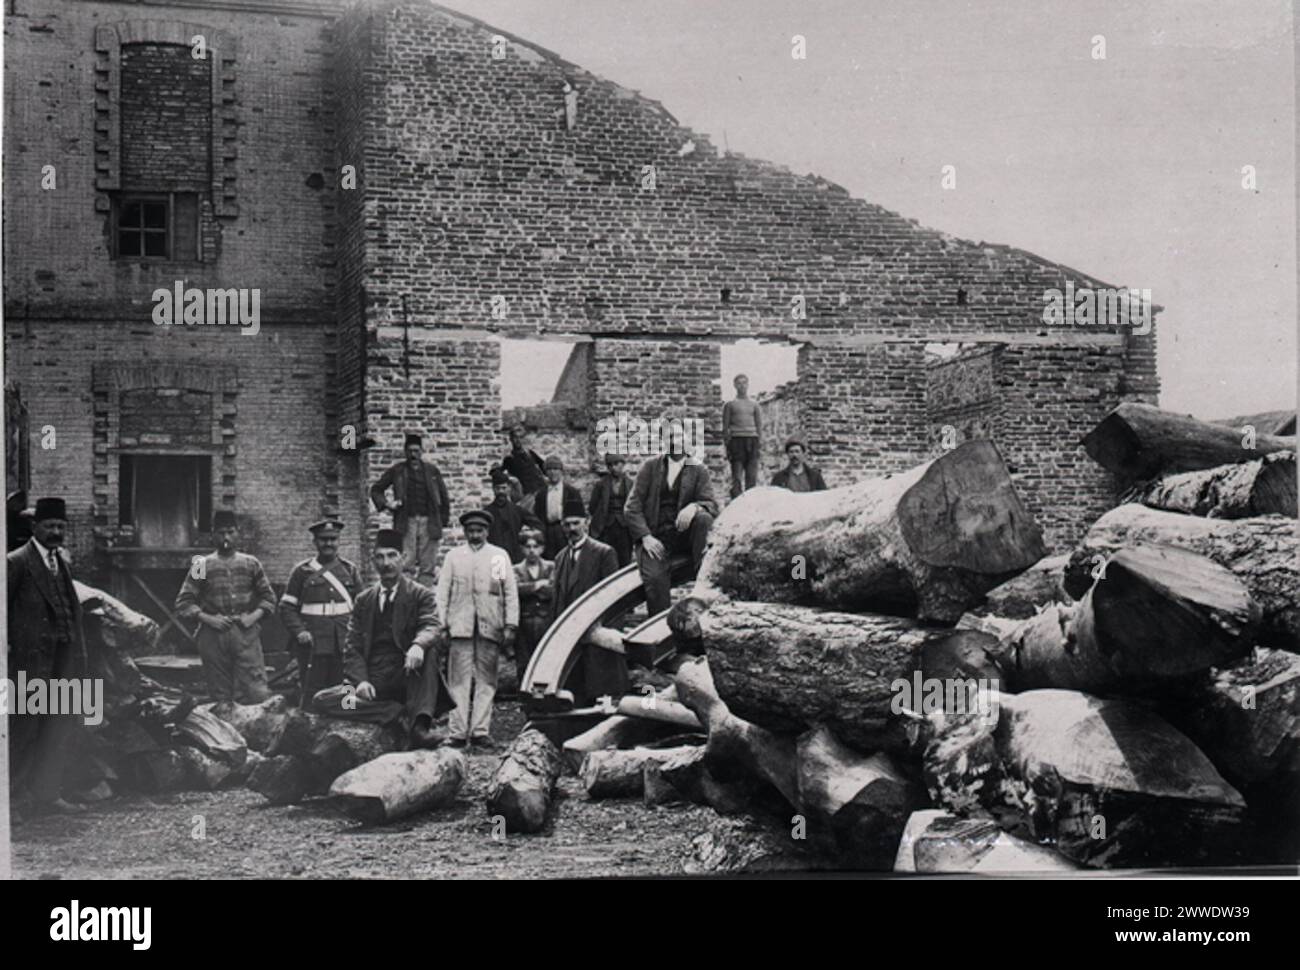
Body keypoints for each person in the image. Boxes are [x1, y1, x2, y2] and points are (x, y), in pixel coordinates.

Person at [311, 528, 453, 748]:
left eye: (392, 555)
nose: (386, 563)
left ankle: (419, 726)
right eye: (380, 556)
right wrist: (361, 681)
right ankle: (393, 713)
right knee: (323, 700)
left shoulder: (419, 594)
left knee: (429, 651)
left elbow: (431, 625)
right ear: (373, 560)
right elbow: (353, 646)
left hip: (406, 676)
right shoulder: (363, 600)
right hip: (373, 681)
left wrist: (418, 645)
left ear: (403, 558)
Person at [7, 497, 90, 815]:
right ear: (34, 527)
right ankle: (11, 799)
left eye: (60, 527)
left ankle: (47, 793)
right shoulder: (16, 562)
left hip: (62, 660)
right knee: (23, 728)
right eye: (49, 526)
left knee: (58, 726)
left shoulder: (63, 563)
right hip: (28, 663)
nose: (55, 532)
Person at [436, 509, 519, 750]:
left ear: (487, 531)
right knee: (458, 682)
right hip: (459, 626)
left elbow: (509, 592)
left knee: (487, 680)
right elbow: (442, 594)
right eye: (471, 531)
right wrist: (442, 625)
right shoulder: (454, 557)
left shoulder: (497, 557)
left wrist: (510, 624)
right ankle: (458, 732)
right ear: (464, 532)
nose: (475, 535)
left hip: (489, 626)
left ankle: (481, 730)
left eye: (479, 531)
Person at [175, 509, 276, 704]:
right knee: (220, 694)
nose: (226, 537)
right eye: (221, 533)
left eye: (230, 531)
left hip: (245, 634)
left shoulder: (251, 563)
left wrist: (252, 617)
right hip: (214, 636)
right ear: (213, 535)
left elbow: (269, 598)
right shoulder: (201, 565)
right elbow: (184, 602)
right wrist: (208, 619)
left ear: (238, 533)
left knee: (255, 691)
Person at [625, 420, 719, 615]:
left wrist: (695, 506)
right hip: (656, 538)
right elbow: (631, 507)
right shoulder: (650, 467)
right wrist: (645, 537)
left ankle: (703, 577)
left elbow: (712, 505)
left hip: (683, 537)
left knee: (704, 519)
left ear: (686, 440)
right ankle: (659, 633)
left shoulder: (698, 469)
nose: (674, 441)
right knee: (655, 580)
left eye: (678, 436)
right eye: (669, 437)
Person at [278, 514, 363, 707]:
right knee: (312, 688)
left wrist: (358, 636)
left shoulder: (350, 570)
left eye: (333, 539)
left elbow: (361, 608)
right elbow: (286, 607)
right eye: (324, 539)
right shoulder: (301, 572)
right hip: (313, 642)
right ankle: (309, 724)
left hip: (344, 640)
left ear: (338, 541)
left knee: (346, 686)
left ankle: (349, 719)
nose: (328, 544)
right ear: (315, 541)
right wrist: (300, 631)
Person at [551, 495, 622, 700]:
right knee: (575, 690)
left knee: (601, 692)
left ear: (586, 523)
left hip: (596, 635)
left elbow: (614, 598)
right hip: (570, 638)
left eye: (576, 523)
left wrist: (608, 633)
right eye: (567, 524)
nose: (571, 529)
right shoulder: (560, 558)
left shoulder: (604, 553)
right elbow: (557, 600)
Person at [369, 432, 451, 587]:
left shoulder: (432, 471)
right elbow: (376, 490)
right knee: (406, 563)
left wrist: (443, 521)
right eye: (410, 451)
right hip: (406, 522)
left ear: (421, 451)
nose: (413, 455)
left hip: (429, 521)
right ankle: (407, 596)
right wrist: (387, 504)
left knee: (428, 565)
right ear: (405, 452)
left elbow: (443, 496)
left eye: (416, 451)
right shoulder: (397, 470)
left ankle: (424, 596)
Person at [511, 527, 555, 688]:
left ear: (542, 548)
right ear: (522, 549)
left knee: (546, 658)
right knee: (524, 661)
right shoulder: (515, 569)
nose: (531, 551)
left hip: (546, 621)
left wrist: (529, 589)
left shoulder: (551, 567)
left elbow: (553, 590)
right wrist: (538, 585)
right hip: (524, 622)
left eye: (535, 546)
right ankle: (526, 696)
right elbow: (515, 590)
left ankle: (545, 693)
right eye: (527, 547)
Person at [523, 455, 583, 560]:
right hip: (548, 531)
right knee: (550, 559)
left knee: (568, 558)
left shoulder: (571, 492)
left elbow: (579, 515)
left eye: (555, 469)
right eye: (549, 469)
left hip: (565, 530)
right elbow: (538, 516)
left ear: (561, 471)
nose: (552, 472)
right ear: (546, 473)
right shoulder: (541, 494)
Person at [588, 452, 634, 567]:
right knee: (607, 558)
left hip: (625, 528)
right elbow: (593, 507)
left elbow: (635, 505)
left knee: (624, 559)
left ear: (622, 464)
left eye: (616, 464)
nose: (614, 468)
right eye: (610, 465)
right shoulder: (601, 484)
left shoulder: (631, 484)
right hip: (607, 527)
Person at [485, 467, 537, 564]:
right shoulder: (487, 512)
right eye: (498, 488)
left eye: (503, 488)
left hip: (515, 558)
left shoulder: (517, 510)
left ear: (509, 488)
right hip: (495, 559)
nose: (501, 491)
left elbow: (538, 525)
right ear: (493, 489)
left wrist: (527, 540)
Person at [722, 373, 763, 498]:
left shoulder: (755, 404)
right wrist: (728, 445)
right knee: (737, 477)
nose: (742, 386)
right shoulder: (730, 404)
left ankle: (751, 504)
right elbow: (725, 427)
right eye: (739, 383)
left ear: (748, 384)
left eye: (744, 383)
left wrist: (759, 444)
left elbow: (759, 426)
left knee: (752, 476)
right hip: (736, 442)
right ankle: (736, 503)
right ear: (734, 385)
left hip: (752, 441)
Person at [501, 423, 547, 499]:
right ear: (511, 439)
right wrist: (511, 479)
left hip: (540, 490)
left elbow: (544, 466)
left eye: (520, 438)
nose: (518, 440)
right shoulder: (509, 459)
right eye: (515, 437)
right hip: (525, 495)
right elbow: (499, 474)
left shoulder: (530, 453)